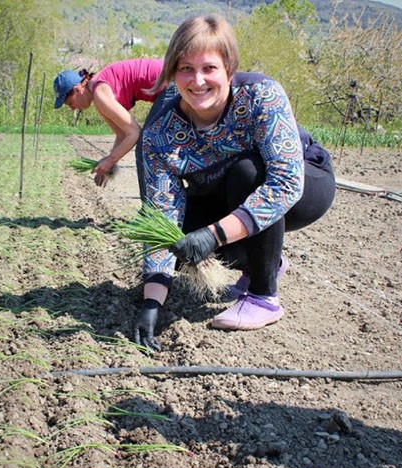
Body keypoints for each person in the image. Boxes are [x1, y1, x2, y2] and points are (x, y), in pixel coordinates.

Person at [132, 14, 336, 351]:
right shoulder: (159, 130)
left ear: (228, 68)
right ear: (171, 72)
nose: (197, 81)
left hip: (304, 183)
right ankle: (264, 260)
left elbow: (285, 183)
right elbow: (161, 211)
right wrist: (152, 302)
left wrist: (213, 236)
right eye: (185, 69)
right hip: (225, 193)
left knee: (247, 172)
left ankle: (263, 296)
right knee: (180, 239)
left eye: (209, 68)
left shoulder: (260, 95)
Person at [53, 58, 166, 189]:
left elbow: (134, 133)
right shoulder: (98, 94)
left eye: (69, 103)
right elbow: (122, 134)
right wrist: (109, 165)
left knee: (149, 147)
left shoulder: (100, 93)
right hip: (170, 82)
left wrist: (109, 161)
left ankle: (159, 206)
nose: (72, 108)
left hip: (172, 81)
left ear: (77, 89)